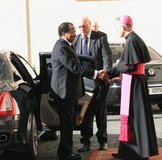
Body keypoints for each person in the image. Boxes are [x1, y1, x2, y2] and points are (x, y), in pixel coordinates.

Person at [50, 22, 106, 160]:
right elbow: (75, 67)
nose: (75, 34)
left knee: (69, 123)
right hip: (64, 93)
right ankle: (65, 153)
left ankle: (67, 151)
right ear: (64, 34)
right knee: (66, 124)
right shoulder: (61, 47)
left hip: (69, 92)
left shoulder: (67, 45)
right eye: (72, 32)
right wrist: (96, 73)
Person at [106, 15, 159, 159]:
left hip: (134, 86)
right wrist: (107, 73)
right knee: (131, 118)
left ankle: (140, 152)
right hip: (135, 84)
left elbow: (129, 67)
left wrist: (118, 64)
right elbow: (126, 65)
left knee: (135, 118)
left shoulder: (132, 41)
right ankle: (127, 151)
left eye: (116, 28)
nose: (116, 31)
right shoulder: (132, 39)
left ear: (123, 27)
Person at [73, 16, 112, 152]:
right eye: (79, 27)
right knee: (86, 112)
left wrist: (106, 73)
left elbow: (107, 56)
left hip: (99, 81)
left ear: (89, 24)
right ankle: (85, 142)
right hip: (83, 82)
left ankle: (103, 141)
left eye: (84, 26)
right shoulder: (76, 40)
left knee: (100, 112)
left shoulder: (100, 37)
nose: (82, 29)